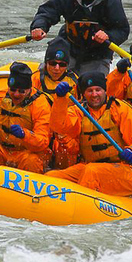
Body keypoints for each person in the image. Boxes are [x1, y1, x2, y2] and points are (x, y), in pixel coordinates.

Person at [46, 71, 132, 197]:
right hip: (90, 167)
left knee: (91, 172)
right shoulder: (78, 111)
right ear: (84, 93)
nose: (94, 94)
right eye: (90, 91)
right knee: (51, 177)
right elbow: (58, 126)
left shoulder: (119, 109)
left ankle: (82, 209)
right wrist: (60, 99)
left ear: (105, 91)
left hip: (126, 170)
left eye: (98, 90)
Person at [29, 0, 130, 76]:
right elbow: (46, 12)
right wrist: (39, 27)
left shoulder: (112, 3)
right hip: (67, 50)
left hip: (98, 55)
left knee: (93, 87)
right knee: (46, 77)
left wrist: (108, 35)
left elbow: (123, 30)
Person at [0, 62, 51, 173]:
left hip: (26, 152)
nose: (16, 94)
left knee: (32, 161)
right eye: (13, 90)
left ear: (29, 89)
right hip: (2, 149)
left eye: (21, 91)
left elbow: (43, 140)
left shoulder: (40, 105)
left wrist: (25, 135)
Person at [31, 38, 80, 169]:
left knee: (66, 146)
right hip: (40, 126)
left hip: (63, 130)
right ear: (46, 63)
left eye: (62, 64)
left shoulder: (74, 83)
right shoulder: (35, 79)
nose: (57, 69)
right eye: (53, 63)